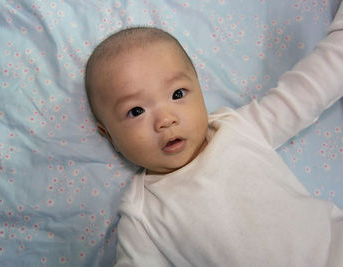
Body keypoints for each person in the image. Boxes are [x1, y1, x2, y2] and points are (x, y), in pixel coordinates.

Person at [84, 3, 343, 266]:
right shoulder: (142, 213)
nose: (165, 120)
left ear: (199, 88)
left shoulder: (237, 128)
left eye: (177, 94)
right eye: (136, 110)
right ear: (107, 133)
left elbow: (308, 91)